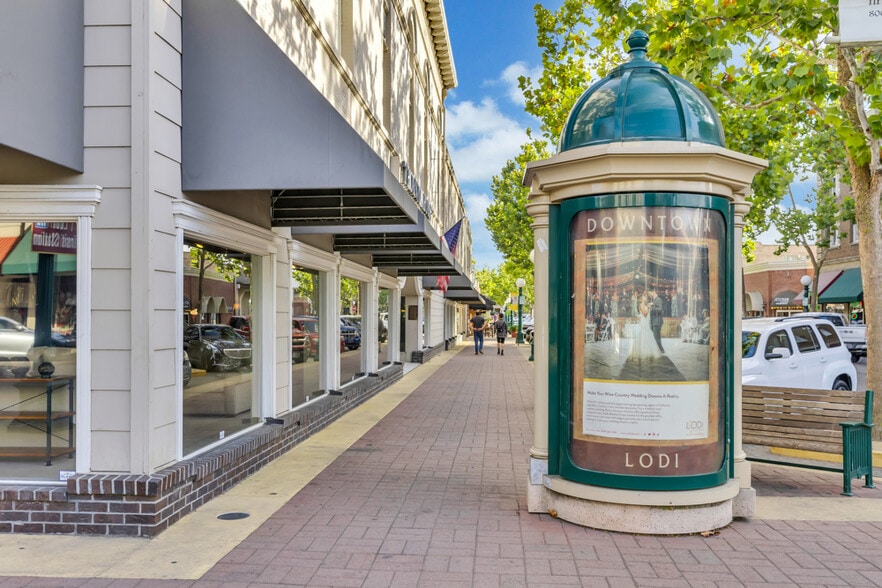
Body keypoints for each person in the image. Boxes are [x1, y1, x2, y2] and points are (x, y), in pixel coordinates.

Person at [629, 293, 662, 360]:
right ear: (641, 298)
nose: (646, 298)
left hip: (647, 321)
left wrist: (649, 307)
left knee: (649, 335)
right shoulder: (641, 305)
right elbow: (644, 314)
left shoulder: (646, 304)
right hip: (644, 322)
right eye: (644, 297)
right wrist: (649, 308)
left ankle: (649, 351)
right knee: (644, 334)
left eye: (646, 297)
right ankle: (643, 352)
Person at [650, 289, 665, 354]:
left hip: (657, 321)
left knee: (656, 337)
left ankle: (661, 350)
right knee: (656, 337)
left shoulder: (658, 299)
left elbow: (660, 309)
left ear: (654, 292)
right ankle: (659, 350)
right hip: (655, 321)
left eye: (650, 293)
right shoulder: (654, 299)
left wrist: (651, 308)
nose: (650, 294)